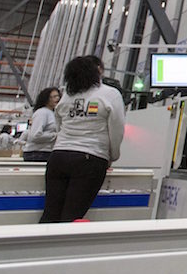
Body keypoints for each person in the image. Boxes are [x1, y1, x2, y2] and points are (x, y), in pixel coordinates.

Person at [39, 56, 125, 223]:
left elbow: (59, 126)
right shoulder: (110, 93)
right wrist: (112, 156)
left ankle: (38, 247)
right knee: (72, 216)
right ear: (97, 71)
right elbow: (117, 129)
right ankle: (64, 249)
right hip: (89, 159)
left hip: (58, 157)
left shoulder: (67, 96)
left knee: (50, 213)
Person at [23, 87, 61, 162]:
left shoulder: (53, 113)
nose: (57, 99)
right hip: (37, 153)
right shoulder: (42, 113)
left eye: (58, 96)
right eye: (53, 97)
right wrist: (56, 135)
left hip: (47, 152)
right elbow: (35, 135)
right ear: (46, 99)